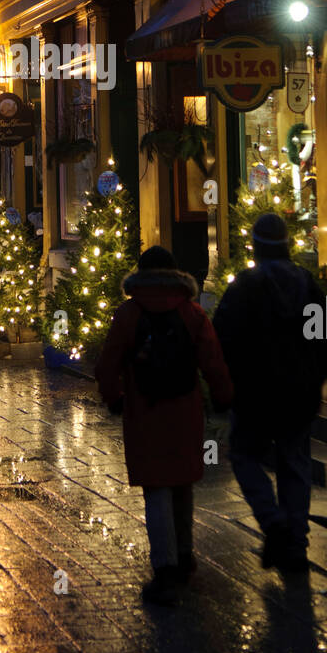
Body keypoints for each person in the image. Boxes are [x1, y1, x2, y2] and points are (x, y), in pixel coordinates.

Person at [95, 245, 234, 606]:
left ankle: (165, 569)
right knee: (182, 484)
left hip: (145, 410)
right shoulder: (192, 313)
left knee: (156, 488)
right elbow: (213, 360)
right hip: (184, 409)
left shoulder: (128, 313)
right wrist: (222, 395)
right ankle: (185, 556)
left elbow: (108, 362)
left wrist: (114, 397)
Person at [212, 213, 327, 574]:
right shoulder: (307, 284)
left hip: (256, 394)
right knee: (295, 462)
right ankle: (295, 543)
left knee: (245, 456)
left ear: (257, 246)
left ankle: (272, 520)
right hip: (299, 393)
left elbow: (222, 339)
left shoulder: (245, 286)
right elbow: (325, 339)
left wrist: (228, 386)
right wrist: (315, 379)